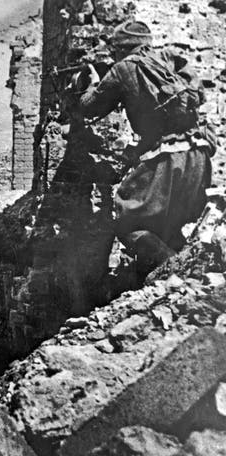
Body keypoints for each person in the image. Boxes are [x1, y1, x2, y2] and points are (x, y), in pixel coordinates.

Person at [73, 20, 217, 275]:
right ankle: (187, 277)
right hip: (200, 156)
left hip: (170, 160)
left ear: (120, 48)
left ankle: (179, 274)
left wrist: (91, 84)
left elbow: (89, 107)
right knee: (167, 228)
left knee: (128, 222)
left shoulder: (123, 68)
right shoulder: (170, 58)